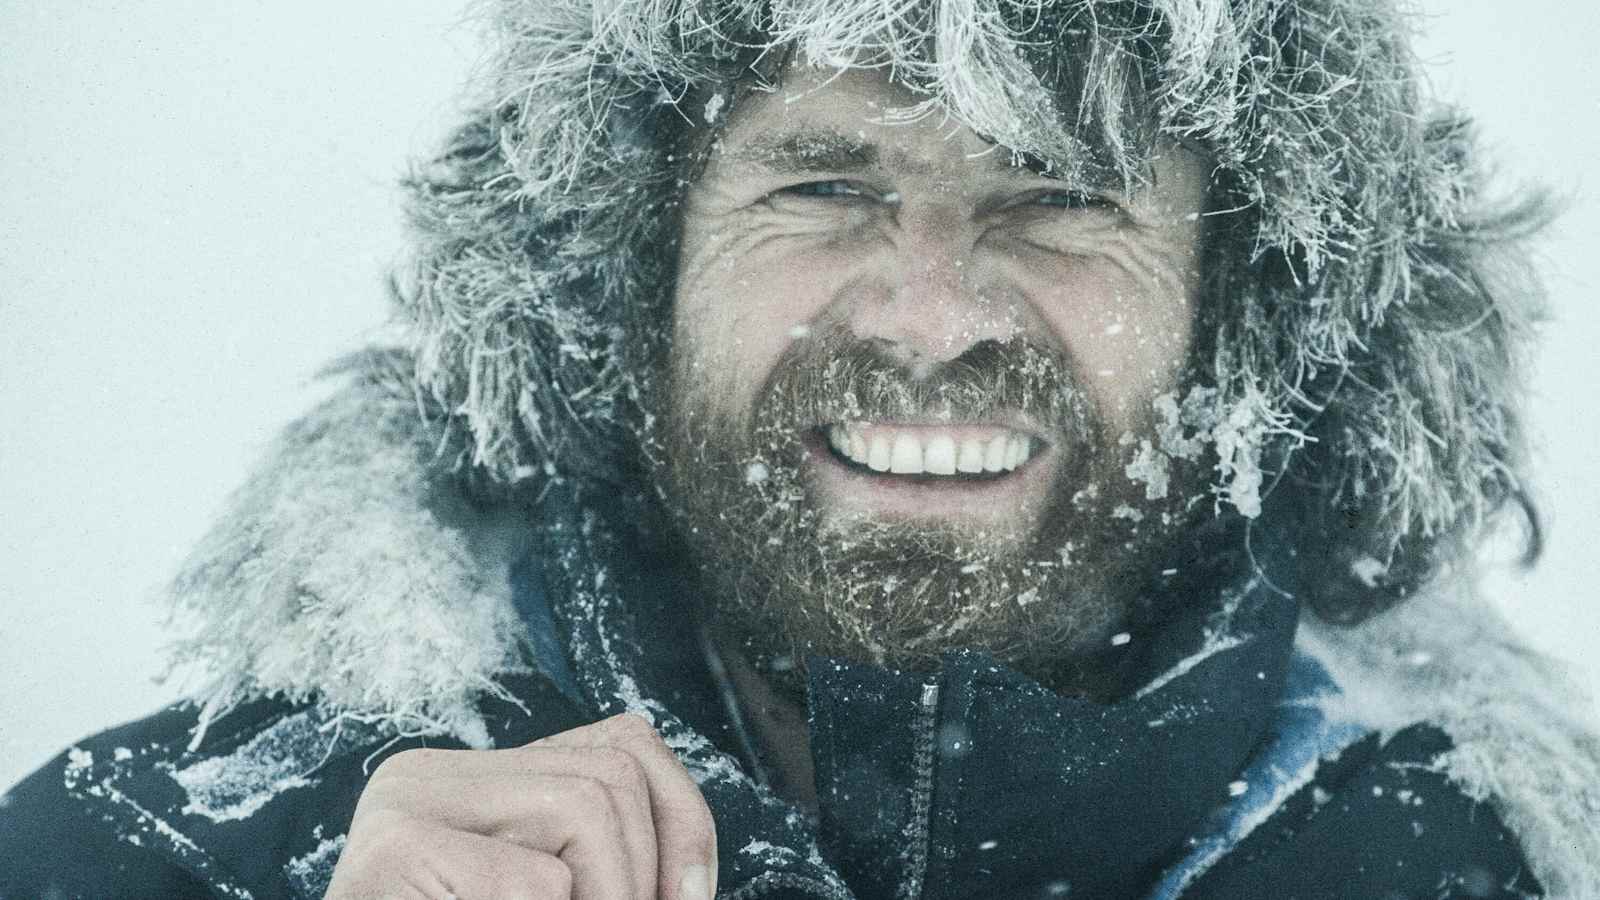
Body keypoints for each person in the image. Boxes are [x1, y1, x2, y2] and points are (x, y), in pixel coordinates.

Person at [4, 0, 1598, 897]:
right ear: (632, 279)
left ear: (1245, 311)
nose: (927, 319)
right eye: (823, 191)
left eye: (1058, 198)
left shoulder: (1493, 866)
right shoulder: (169, 854)